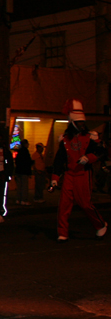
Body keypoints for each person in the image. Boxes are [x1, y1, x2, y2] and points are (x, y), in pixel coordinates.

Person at [51, 98, 107, 243]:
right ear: (72, 123)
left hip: (83, 174)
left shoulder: (90, 137)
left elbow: (102, 152)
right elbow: (59, 159)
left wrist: (89, 157)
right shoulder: (64, 139)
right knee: (64, 205)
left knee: (85, 204)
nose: (82, 125)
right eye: (79, 122)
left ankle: (100, 224)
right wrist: (55, 178)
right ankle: (62, 232)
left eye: (83, 122)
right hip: (70, 174)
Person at [14, 139, 33, 206]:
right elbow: (27, 162)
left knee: (19, 186)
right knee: (24, 186)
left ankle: (18, 199)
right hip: (24, 171)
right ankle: (24, 200)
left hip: (18, 171)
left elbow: (17, 161)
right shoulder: (25, 151)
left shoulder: (19, 152)